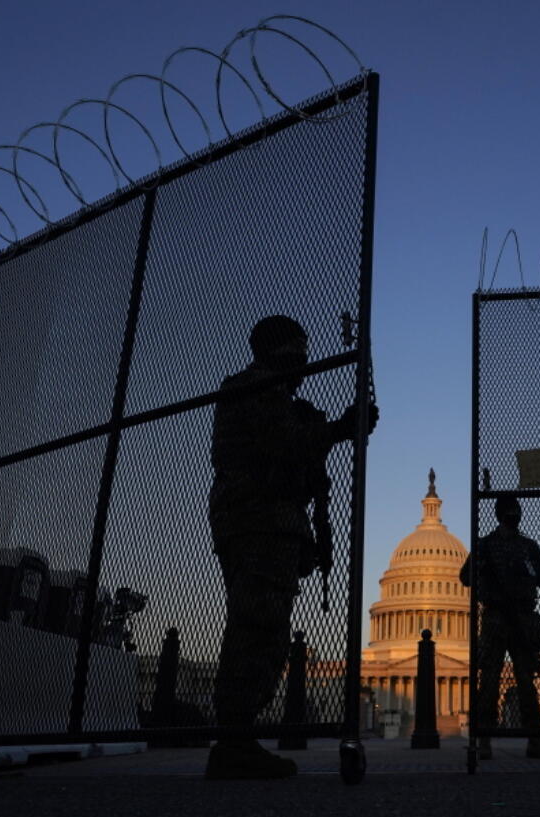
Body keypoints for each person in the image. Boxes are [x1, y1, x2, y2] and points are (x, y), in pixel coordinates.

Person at [206, 314, 377, 779]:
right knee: (258, 627)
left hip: (260, 521)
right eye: (300, 350)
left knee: (261, 626)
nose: (305, 361)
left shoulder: (270, 393)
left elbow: (293, 450)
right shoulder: (256, 387)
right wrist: (342, 429)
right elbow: (283, 445)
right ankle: (235, 740)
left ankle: (237, 737)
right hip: (257, 521)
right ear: (284, 352)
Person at [460, 495, 540, 760]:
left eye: (517, 510)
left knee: (526, 679)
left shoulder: (528, 545)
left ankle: (534, 739)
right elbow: (465, 577)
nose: (515, 515)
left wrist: (524, 572)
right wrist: (484, 572)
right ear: (502, 514)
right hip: (495, 617)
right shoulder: (484, 545)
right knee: (489, 681)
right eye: (511, 511)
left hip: (522, 618)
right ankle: (484, 739)